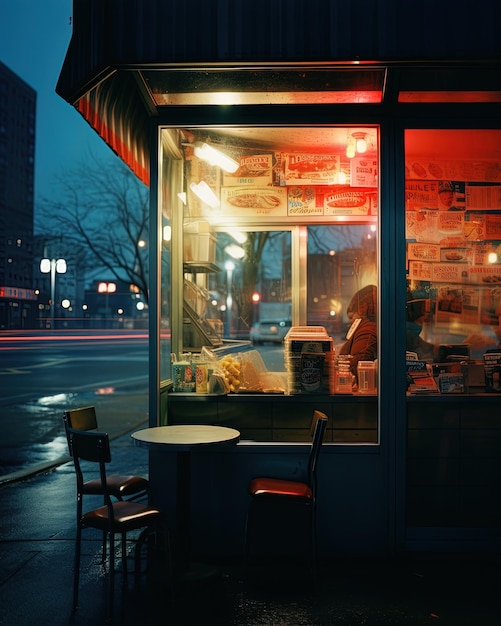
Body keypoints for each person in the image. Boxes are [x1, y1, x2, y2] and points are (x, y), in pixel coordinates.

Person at [339, 284, 377, 379]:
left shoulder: (367, 331)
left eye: (351, 317)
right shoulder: (372, 328)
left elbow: (358, 364)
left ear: (363, 308)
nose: (350, 322)